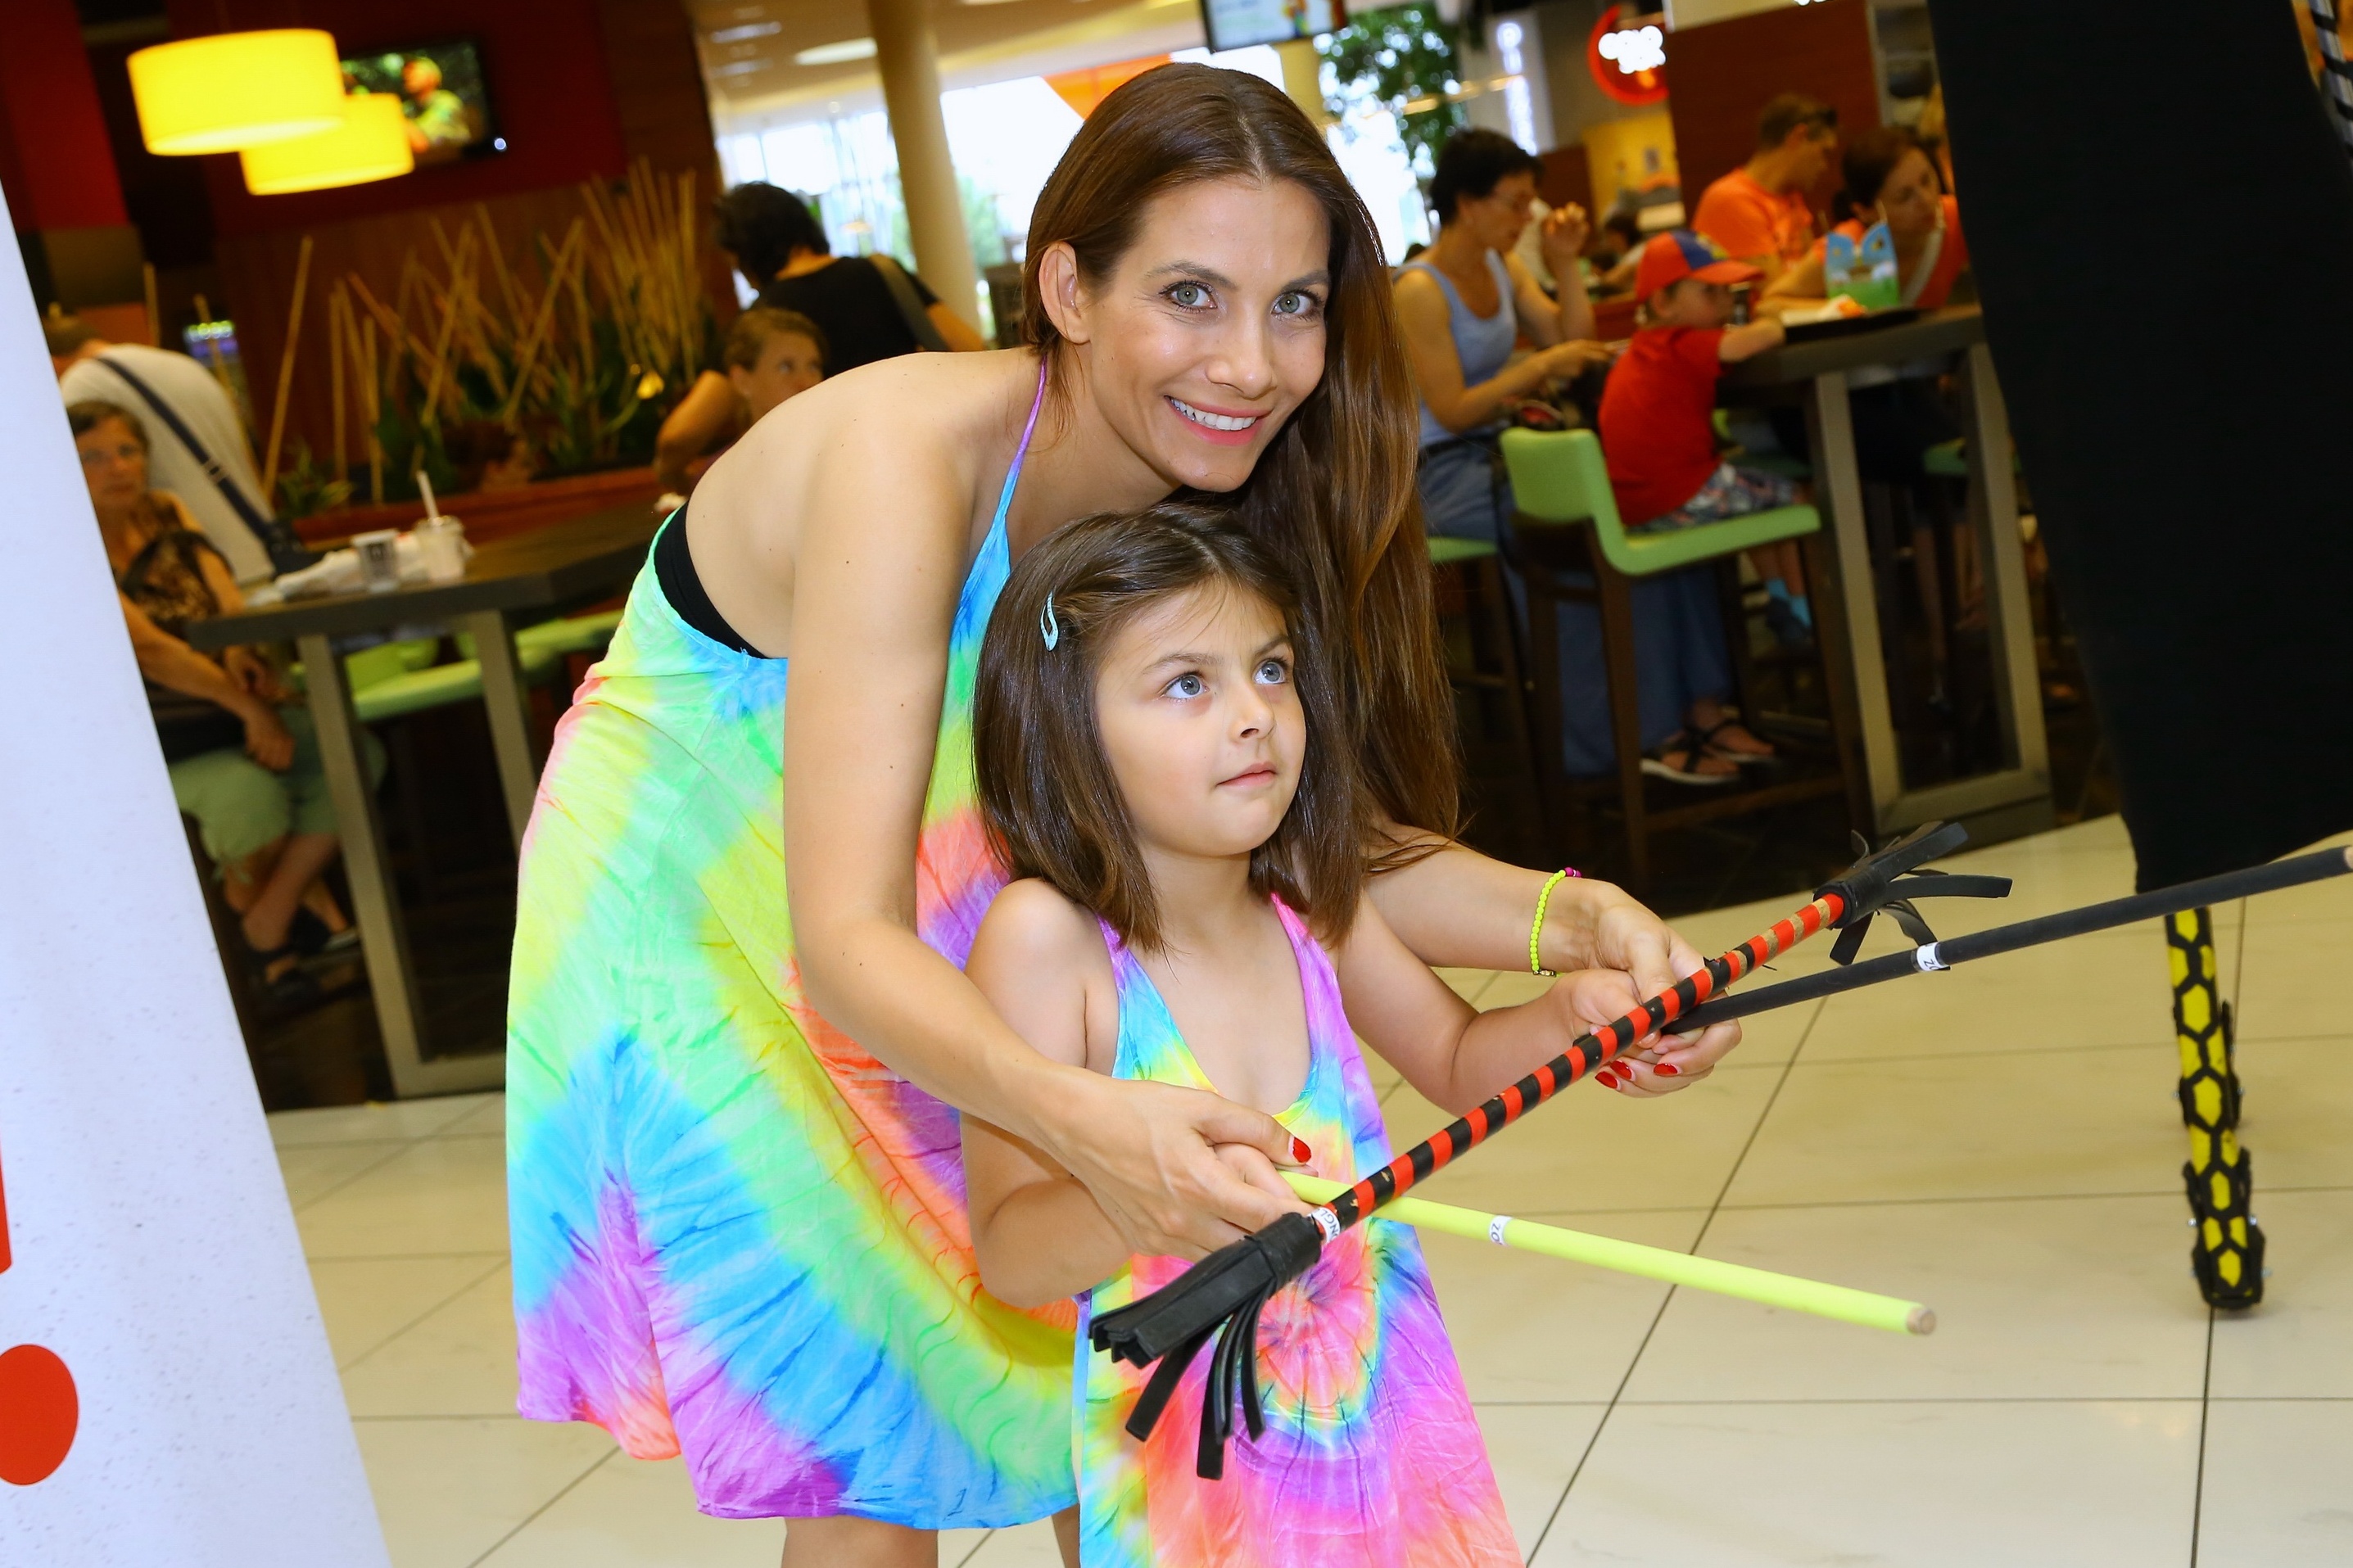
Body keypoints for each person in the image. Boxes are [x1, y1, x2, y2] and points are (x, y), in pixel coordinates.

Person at [508, 65, 1740, 1568]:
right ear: (1066, 290)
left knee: (1077, 1375)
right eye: (1189, 295)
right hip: (711, 906)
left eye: (1295, 304)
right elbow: (842, 935)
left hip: (945, 867)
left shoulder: (1209, 487)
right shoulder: (906, 459)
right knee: (883, 1421)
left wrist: (1574, 918)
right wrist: (1086, 1118)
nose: (1252, 362)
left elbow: (1308, 831)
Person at [962, 507, 1675, 1563]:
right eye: (1187, 683)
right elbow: (1012, 1252)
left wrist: (1572, 1019)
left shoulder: (1301, 893)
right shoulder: (1045, 942)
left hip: (1382, 1406)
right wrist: (1145, 1191)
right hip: (1199, 1479)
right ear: (1064, 728)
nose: (1255, 714)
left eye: (1271, 669)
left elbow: (1454, 1061)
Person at [70, 401, 374, 1003]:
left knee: (351, 754)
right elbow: (148, 649)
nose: (117, 468)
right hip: (154, 734)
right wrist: (250, 710)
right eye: (93, 458)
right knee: (251, 800)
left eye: (127, 451)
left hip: (227, 708)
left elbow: (223, 593)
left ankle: (266, 921)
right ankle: (274, 939)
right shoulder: (66, 545)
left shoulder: (166, 510)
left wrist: (239, 647)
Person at [1591, 232, 1793, 781]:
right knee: (1796, 496)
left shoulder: (1639, 351)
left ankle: (1707, 713)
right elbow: (1747, 343)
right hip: (1676, 494)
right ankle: (1794, 607)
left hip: (1637, 506)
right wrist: (1776, 319)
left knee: (1723, 528)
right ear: (1662, 302)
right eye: (1710, 293)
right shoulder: (1680, 341)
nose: (1724, 304)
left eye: (1727, 293)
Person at [1398, 128, 1614, 546]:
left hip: (1497, 445)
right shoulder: (1419, 290)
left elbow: (1569, 339)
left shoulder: (1503, 265)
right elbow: (1454, 413)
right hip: (1437, 468)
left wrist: (1564, 261)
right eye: (1517, 204)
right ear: (1467, 204)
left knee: (1599, 487)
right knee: (1561, 515)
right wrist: (1540, 367)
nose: (1528, 217)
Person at [52, 312, 301, 584]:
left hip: (198, 568)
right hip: (260, 545)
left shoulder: (84, 383)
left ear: (53, 363)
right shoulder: (183, 365)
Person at [713, 182, 989, 372]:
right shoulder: (883, 271)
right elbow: (970, 346)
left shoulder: (761, 318)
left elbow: (691, 425)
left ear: (747, 252)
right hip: (916, 429)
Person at [1763, 125, 1970, 313]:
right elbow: (1769, 303)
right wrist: (1842, 308)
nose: (1927, 200)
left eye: (1927, 180)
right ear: (1865, 212)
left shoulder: (1956, 217)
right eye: (1904, 197)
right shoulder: (1846, 248)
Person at [654, 307, 828, 490]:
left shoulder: (835, 452)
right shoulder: (718, 479)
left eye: (813, 366)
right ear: (742, 381)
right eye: (786, 367)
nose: (807, 382)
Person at [1690, 93, 1839, 283]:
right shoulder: (1731, 199)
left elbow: (1816, 278)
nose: (1824, 166)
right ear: (1798, 137)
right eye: (1824, 152)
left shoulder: (1790, 196)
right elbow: (1773, 292)